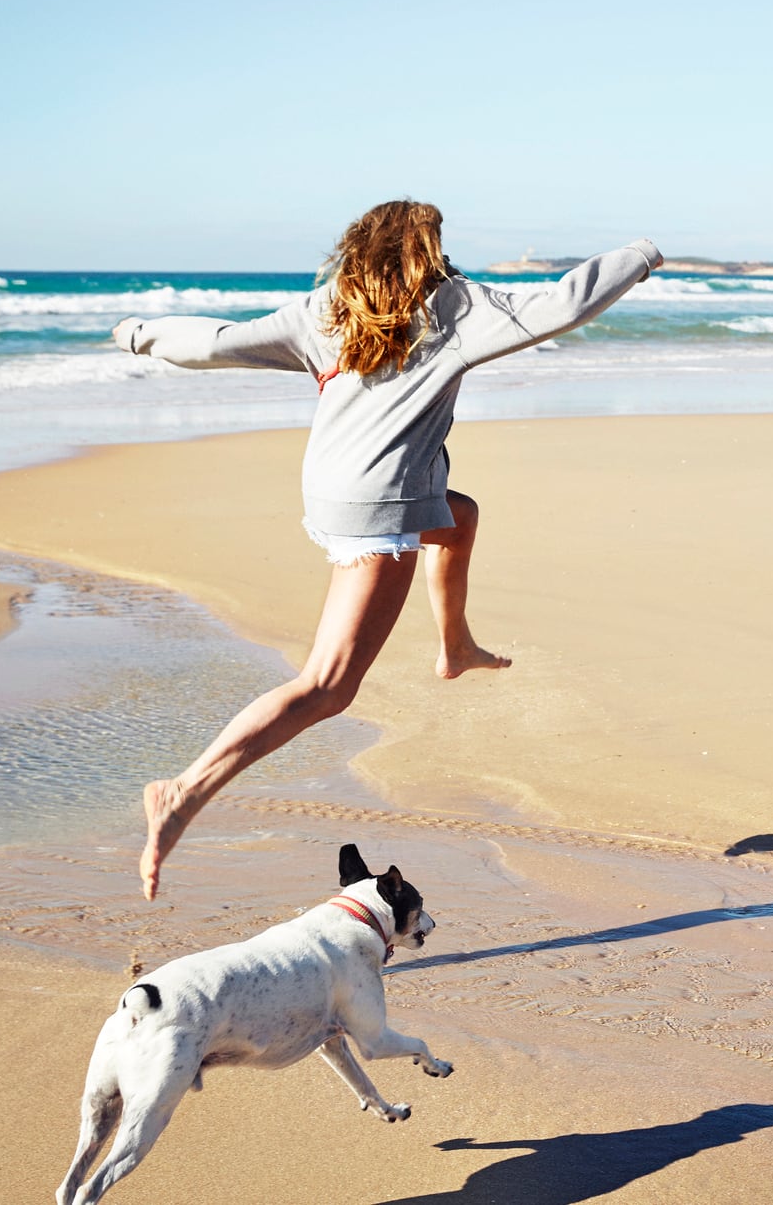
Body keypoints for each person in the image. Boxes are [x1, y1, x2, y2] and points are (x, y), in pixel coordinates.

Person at [110, 199, 662, 898]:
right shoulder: (453, 310)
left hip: (334, 490)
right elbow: (561, 305)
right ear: (424, 251)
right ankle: (185, 792)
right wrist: (640, 253)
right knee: (326, 686)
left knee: (458, 517)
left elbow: (217, 341)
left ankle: (455, 646)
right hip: (382, 506)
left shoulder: (324, 312)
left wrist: (137, 334)